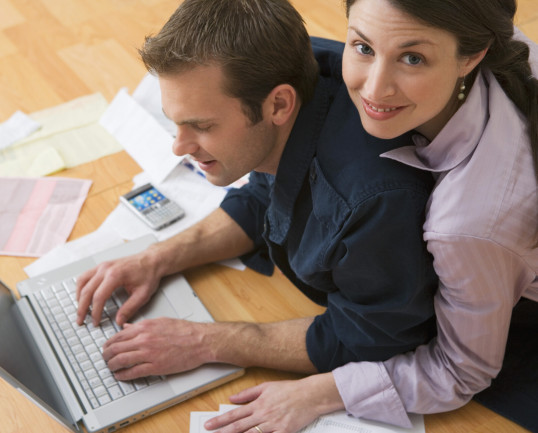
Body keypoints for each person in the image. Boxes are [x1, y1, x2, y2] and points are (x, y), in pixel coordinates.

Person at [75, 0, 438, 404]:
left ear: (279, 105)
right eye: (175, 122)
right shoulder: (278, 70)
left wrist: (205, 341)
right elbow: (263, 195)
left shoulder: (373, 197)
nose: (179, 146)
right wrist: (155, 259)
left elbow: (369, 339)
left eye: (201, 126)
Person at [205, 0, 538, 432]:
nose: (375, 89)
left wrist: (320, 392)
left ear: (472, 56)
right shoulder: (497, 41)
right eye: (363, 47)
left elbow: (459, 372)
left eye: (412, 58)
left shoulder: (468, 224)